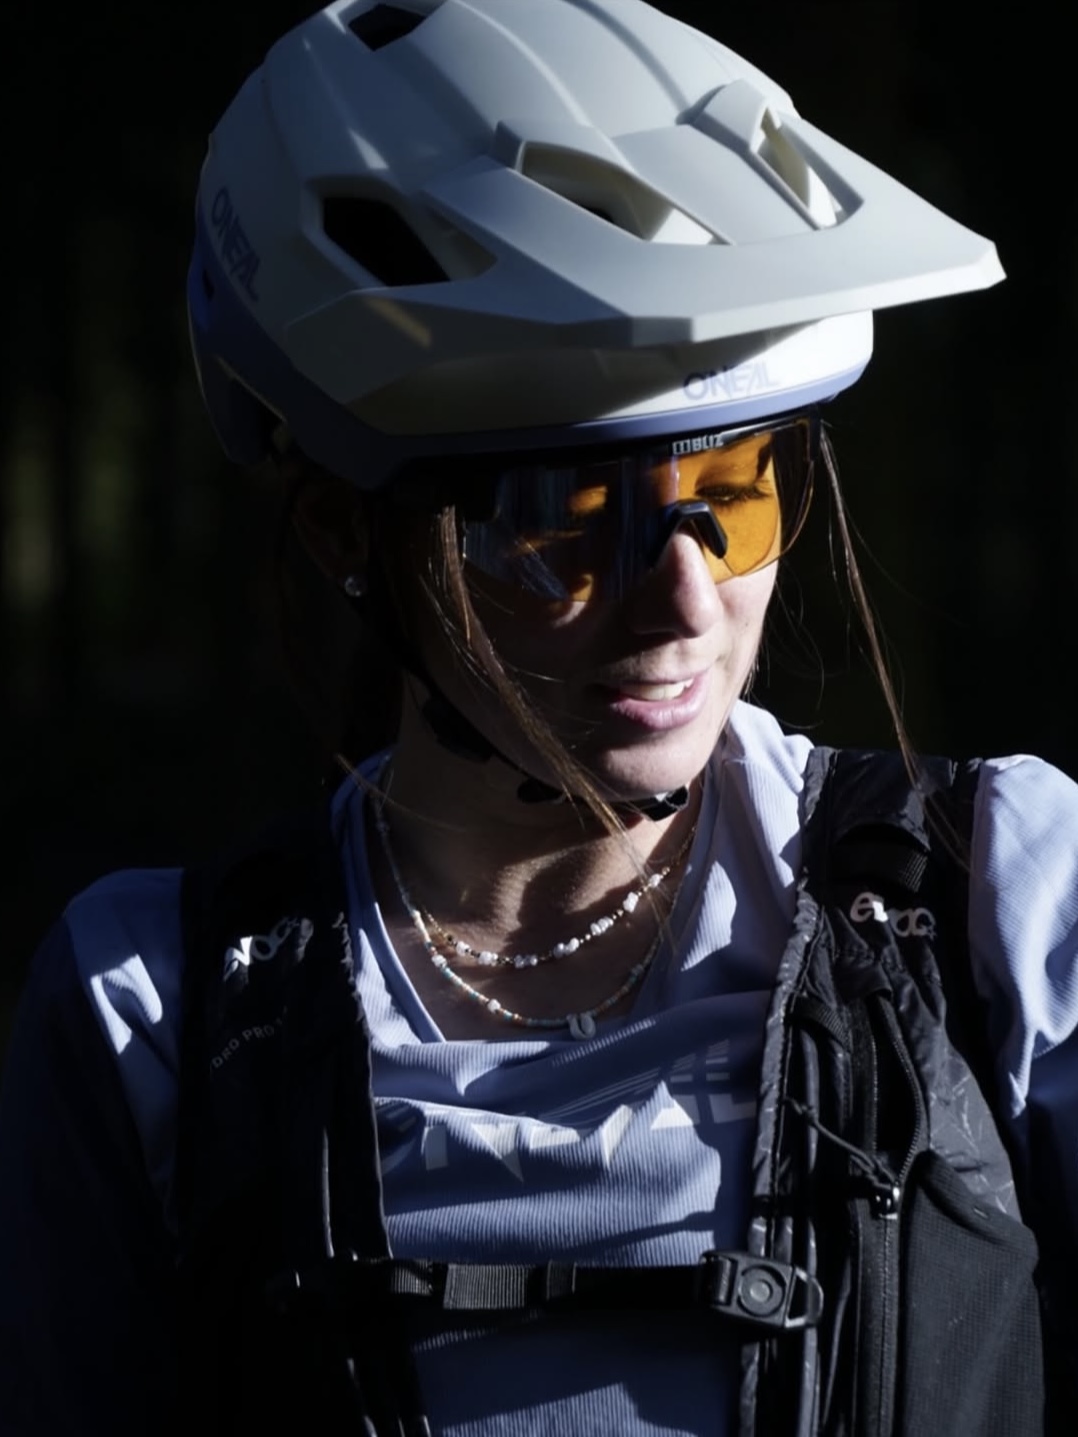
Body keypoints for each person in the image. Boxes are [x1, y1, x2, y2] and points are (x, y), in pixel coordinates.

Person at [1, 1, 1076, 1433]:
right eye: (564, 518)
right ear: (343, 528)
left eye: (738, 487)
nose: (685, 602)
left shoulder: (999, 900)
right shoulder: (152, 1014)